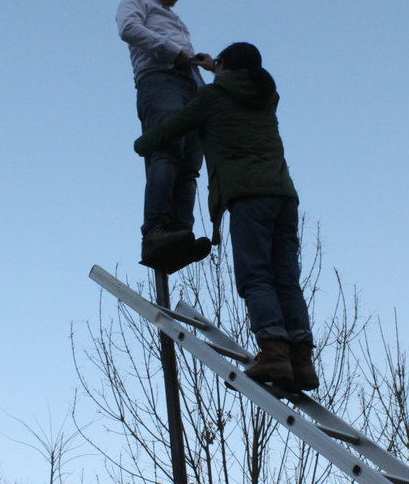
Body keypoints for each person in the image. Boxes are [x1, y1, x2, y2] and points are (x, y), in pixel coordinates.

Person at [133, 42, 319, 392]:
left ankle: (274, 351)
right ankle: (302, 361)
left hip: (248, 197)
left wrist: (142, 145)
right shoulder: (266, 97)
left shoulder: (213, 98)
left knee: (256, 276)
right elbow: (237, 84)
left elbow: (174, 127)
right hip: (284, 196)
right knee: (287, 279)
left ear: (224, 66)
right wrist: (215, 67)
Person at [116, 0, 214, 265]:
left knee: (189, 164)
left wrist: (196, 62)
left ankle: (181, 232)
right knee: (167, 151)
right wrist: (174, 52)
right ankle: (157, 229)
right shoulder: (137, 3)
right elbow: (128, 30)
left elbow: (180, 53)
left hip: (190, 87)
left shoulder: (179, 22)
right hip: (160, 81)